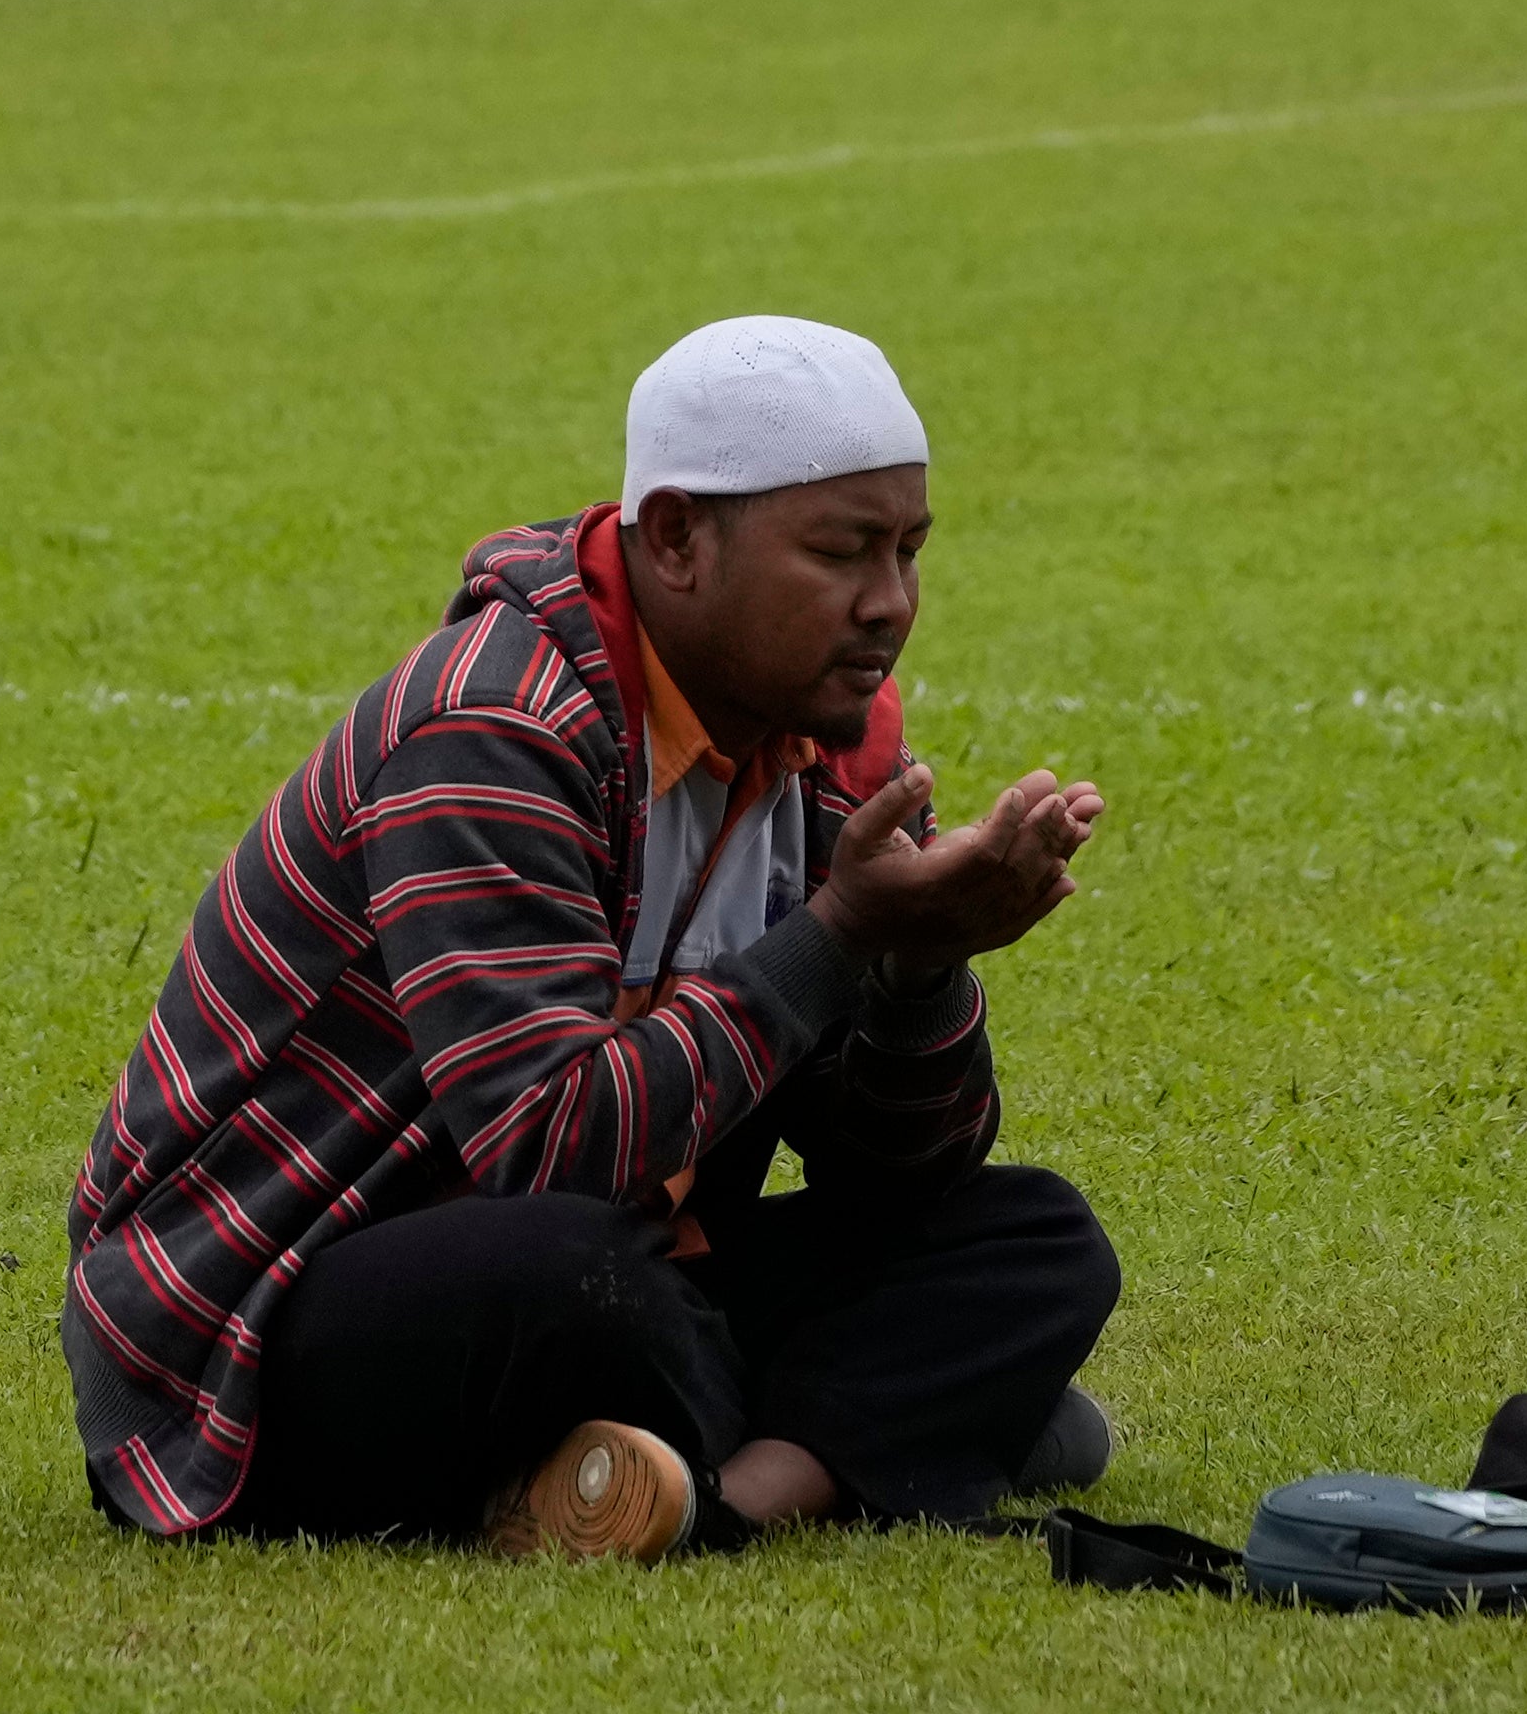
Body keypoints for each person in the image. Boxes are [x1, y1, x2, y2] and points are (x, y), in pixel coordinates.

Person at [61, 314, 1118, 1556]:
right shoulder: (493, 725)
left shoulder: (829, 748)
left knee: (1033, 1241)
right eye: (842, 552)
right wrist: (835, 935)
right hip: (268, 1316)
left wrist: (918, 964)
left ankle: (706, 1495)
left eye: (909, 550)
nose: (889, 604)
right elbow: (550, 1152)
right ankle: (876, 1428)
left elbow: (898, 1181)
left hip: (626, 1263)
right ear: (674, 537)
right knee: (573, 1274)